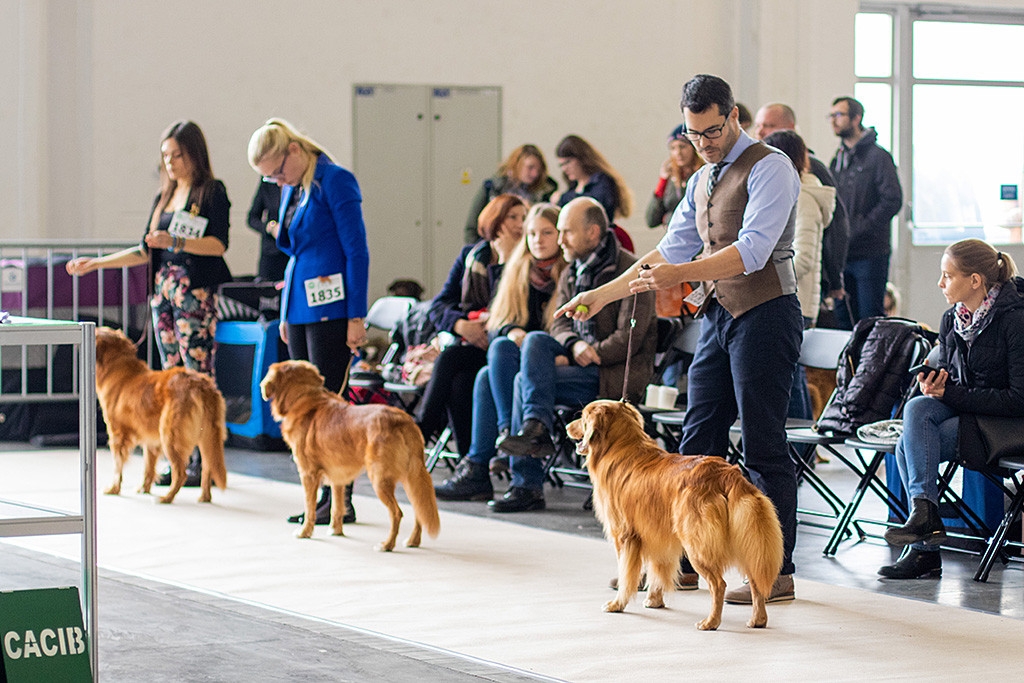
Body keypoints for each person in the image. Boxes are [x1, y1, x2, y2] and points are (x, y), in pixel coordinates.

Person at [558, 75, 802, 601]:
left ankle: (776, 574)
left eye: (712, 131)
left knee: (762, 440)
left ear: (733, 115)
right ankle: (691, 559)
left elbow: (752, 251)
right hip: (718, 314)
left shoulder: (771, 167)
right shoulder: (701, 179)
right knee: (696, 438)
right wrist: (603, 294)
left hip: (767, 312)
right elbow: (668, 249)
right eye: (694, 135)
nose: (704, 143)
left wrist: (681, 273)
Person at [67, 120, 232, 487]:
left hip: (195, 294)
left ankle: (205, 466)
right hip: (163, 296)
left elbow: (218, 245)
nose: (171, 163)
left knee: (197, 378)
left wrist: (175, 242)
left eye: (178, 155)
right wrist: (97, 263)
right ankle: (178, 459)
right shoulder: (163, 198)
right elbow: (144, 250)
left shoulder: (211, 192)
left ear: (194, 155)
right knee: (169, 378)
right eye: (166, 156)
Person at [495, 197, 656, 512]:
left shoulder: (631, 271)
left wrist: (592, 351)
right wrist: (573, 345)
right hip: (581, 365)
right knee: (537, 341)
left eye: (566, 232)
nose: (560, 240)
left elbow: (630, 338)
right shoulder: (572, 271)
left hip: (613, 374)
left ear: (593, 233)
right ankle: (534, 429)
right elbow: (560, 323)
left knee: (521, 383)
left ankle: (526, 480)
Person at [248, 118, 369, 526]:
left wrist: (356, 314)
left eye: (278, 171)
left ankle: (342, 499)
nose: (277, 181)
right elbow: (292, 254)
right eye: (270, 178)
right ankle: (317, 495)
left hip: (333, 305)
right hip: (299, 302)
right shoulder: (292, 188)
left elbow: (357, 251)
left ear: (295, 151)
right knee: (303, 407)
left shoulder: (335, 180)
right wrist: (285, 314)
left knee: (331, 404)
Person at [880, 240, 1024, 579]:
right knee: (918, 407)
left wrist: (952, 394)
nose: (940, 284)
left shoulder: (1015, 321)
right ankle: (925, 518)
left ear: (975, 280)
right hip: (971, 411)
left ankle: (925, 550)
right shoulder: (952, 320)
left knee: (908, 445)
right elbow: (949, 375)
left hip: (1007, 422)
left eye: (948, 276)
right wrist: (932, 385)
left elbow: (1018, 398)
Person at [434, 203, 568, 501]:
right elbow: (497, 322)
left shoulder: (568, 273)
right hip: (518, 359)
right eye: (532, 233)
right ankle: (483, 462)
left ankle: (511, 462)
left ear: (560, 235)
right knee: (494, 357)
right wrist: (511, 331)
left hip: (556, 357)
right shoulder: (518, 269)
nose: (538, 240)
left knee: (501, 372)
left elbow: (570, 328)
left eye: (547, 232)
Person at [417, 194, 527, 460]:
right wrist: (460, 324)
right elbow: (439, 304)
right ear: (495, 219)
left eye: (524, 218)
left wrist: (505, 261)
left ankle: (420, 430)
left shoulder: (525, 260)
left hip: (505, 348)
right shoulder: (471, 255)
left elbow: (506, 307)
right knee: (459, 382)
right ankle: (472, 463)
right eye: (513, 217)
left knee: (451, 359)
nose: (520, 225)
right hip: (471, 344)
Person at [763, 129, 836, 433]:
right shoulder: (790, 192)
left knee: (789, 380)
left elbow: (802, 258)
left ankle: (799, 453)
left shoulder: (803, 197)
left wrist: (762, 276)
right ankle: (799, 454)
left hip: (795, 300)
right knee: (791, 378)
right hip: (785, 295)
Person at [754, 102, 850, 328]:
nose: (759, 132)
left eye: (768, 125)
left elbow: (809, 253)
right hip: (778, 296)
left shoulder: (805, 195)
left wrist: (835, 280)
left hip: (795, 298)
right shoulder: (779, 190)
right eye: (759, 126)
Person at [829, 96, 903, 329]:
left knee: (870, 319)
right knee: (843, 318)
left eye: (838, 115)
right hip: (843, 255)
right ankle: (847, 367)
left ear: (856, 118)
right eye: (831, 116)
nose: (833, 121)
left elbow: (892, 200)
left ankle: (872, 366)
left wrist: (859, 227)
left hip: (871, 253)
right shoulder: (837, 159)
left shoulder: (879, 157)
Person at [463, 144, 556, 245]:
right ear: (517, 164)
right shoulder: (491, 188)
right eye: (530, 167)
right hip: (492, 248)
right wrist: (480, 254)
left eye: (538, 170)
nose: (534, 174)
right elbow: (471, 228)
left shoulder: (546, 192)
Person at [554, 134, 634, 228]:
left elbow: (592, 207)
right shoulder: (572, 188)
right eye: (561, 165)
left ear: (582, 158)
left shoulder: (602, 181)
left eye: (568, 162)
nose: (565, 168)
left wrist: (562, 198)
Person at [645, 126, 704, 229]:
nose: (678, 153)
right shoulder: (671, 178)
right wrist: (662, 182)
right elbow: (651, 221)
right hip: (675, 238)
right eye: (673, 148)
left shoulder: (704, 174)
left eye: (682, 146)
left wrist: (668, 217)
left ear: (694, 148)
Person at [246, 179, 287, 281]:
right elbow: (252, 218)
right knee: (265, 290)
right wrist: (270, 227)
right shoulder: (268, 181)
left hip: (294, 248)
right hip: (271, 251)